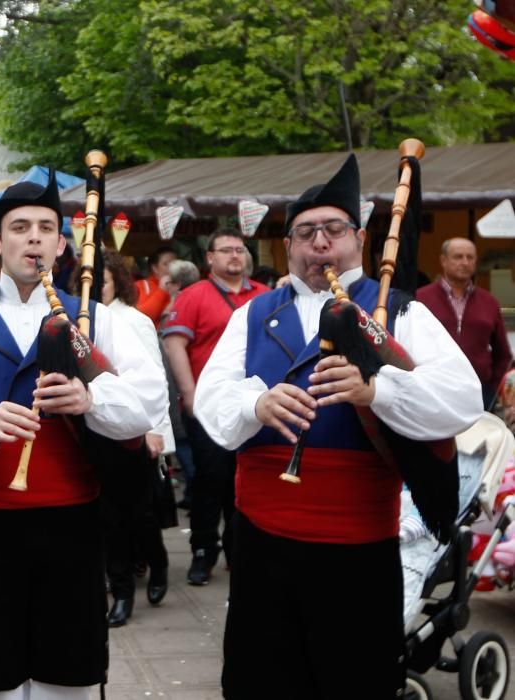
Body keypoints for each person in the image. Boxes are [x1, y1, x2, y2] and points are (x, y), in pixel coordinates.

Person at [195, 155, 483, 699]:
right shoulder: (254, 314)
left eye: (334, 229)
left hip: (357, 548)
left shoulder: (397, 311)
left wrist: (379, 391)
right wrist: (255, 404)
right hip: (261, 542)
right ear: (288, 246)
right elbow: (210, 400)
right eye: (305, 232)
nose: (320, 242)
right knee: (262, 681)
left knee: (354, 682)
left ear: (358, 239)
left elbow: (462, 399)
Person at [0, 173, 167, 700]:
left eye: (47, 228)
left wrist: (91, 400)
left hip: (73, 522)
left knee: (68, 673)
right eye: (21, 228)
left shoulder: (97, 320)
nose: (35, 238)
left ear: (61, 243)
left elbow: (148, 405)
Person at [162, 229, 269, 585]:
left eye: (239, 250)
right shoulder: (193, 296)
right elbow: (175, 345)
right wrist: (190, 394)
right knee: (210, 481)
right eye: (226, 250)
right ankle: (203, 552)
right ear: (210, 258)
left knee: (250, 480)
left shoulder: (266, 296)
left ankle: (241, 551)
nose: (235, 256)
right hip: (210, 406)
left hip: (256, 406)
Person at [98, 251, 173, 626]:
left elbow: (155, 382)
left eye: (103, 280)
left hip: (136, 433)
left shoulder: (135, 321)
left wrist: (155, 430)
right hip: (97, 431)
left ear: (118, 282)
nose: (96, 287)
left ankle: (157, 562)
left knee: (140, 515)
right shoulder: (81, 318)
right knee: (110, 517)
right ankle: (122, 591)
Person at [416, 237, 512, 409]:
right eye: (458, 257)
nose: (465, 262)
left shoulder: (489, 302)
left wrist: (493, 389)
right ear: (443, 260)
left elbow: (503, 354)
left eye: (470, 257)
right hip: (432, 392)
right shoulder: (420, 299)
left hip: (479, 394)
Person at [135, 246, 176, 324]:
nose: (171, 267)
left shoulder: (181, 286)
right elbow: (141, 317)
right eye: (165, 264)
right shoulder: (142, 285)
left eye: (174, 263)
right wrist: (161, 291)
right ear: (155, 268)